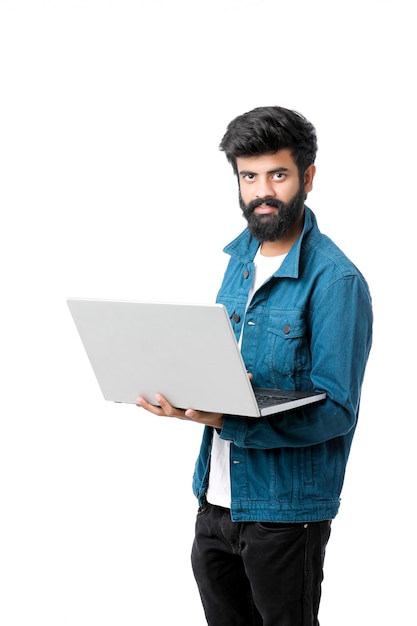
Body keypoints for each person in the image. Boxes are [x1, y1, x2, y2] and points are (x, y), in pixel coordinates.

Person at [136, 106, 373, 626]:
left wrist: (227, 418)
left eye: (278, 174)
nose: (262, 190)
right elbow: (236, 372)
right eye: (249, 175)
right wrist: (187, 393)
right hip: (215, 501)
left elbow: (336, 411)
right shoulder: (240, 257)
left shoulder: (336, 281)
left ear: (307, 177)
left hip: (285, 515)